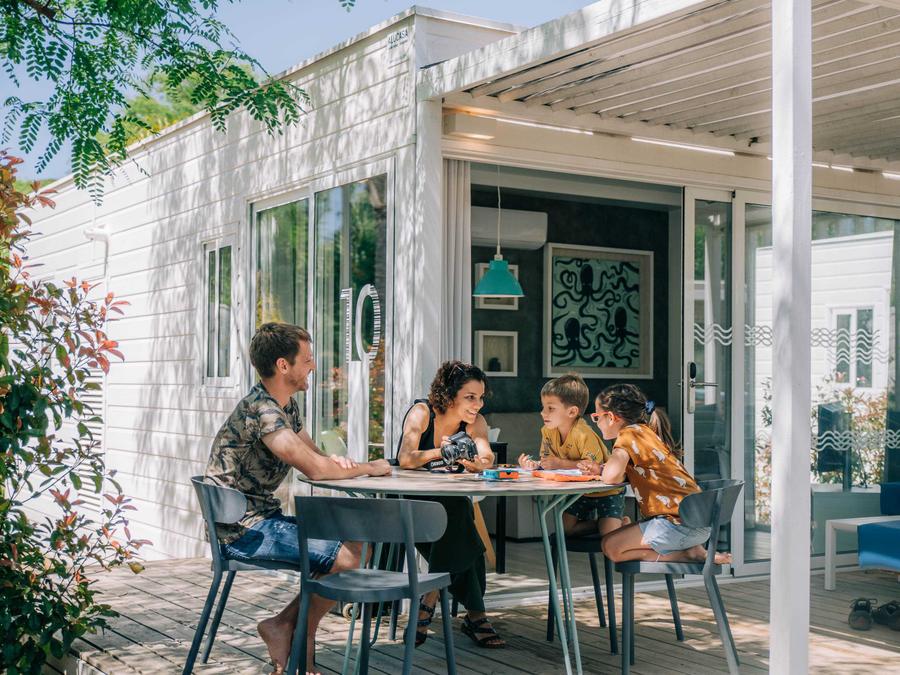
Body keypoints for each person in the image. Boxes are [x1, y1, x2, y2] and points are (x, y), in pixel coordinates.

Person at [205, 323, 391, 675]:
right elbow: (316, 471)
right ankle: (295, 634)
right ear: (283, 365)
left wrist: (335, 461)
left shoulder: (283, 407)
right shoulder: (263, 412)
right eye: (307, 359)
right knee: (350, 555)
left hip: (261, 518)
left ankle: (286, 627)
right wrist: (371, 468)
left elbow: (315, 456)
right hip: (242, 529)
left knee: (354, 545)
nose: (314, 366)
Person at [396, 360, 506, 649]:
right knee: (465, 527)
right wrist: (441, 452)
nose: (478, 404)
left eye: (480, 397)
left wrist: (478, 463)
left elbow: (487, 456)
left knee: (458, 516)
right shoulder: (423, 412)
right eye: (470, 397)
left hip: (450, 505)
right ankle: (474, 616)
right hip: (412, 504)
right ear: (449, 394)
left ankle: (429, 600)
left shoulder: (475, 422)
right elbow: (405, 458)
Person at [577, 383, 730, 564]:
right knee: (615, 539)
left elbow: (611, 478)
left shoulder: (627, 436)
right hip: (698, 521)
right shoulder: (646, 432)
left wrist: (604, 470)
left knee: (611, 546)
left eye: (597, 417)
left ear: (610, 417)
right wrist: (601, 468)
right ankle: (692, 549)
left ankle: (689, 554)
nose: (597, 423)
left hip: (677, 525)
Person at [517, 374, 625, 538]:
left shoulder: (583, 434)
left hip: (607, 490)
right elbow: (548, 460)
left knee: (608, 533)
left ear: (572, 411)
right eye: (543, 407)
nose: (542, 412)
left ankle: (616, 525)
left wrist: (560, 463)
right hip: (579, 492)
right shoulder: (547, 431)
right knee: (566, 529)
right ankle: (612, 525)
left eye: (550, 408)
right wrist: (534, 465)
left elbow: (592, 468)